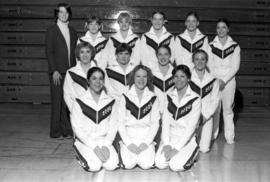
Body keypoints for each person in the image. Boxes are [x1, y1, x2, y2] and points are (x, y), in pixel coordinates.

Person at [71, 67, 119, 172]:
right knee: (94, 166)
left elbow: (113, 126)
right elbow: (77, 128)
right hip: (86, 141)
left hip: (104, 140)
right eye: (94, 78)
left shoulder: (111, 102)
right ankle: (77, 149)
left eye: (101, 79)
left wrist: (106, 144)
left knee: (112, 165)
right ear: (88, 81)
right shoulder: (79, 101)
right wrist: (94, 147)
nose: (98, 82)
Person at [155, 65, 201, 171]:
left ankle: (194, 151)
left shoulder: (195, 99)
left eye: (182, 76)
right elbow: (165, 123)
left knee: (175, 166)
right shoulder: (169, 96)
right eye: (176, 76)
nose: (178, 79)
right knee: (160, 163)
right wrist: (166, 144)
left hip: (187, 138)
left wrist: (177, 148)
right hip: (171, 137)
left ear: (188, 78)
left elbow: (191, 127)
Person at [118, 65, 160, 169]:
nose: (141, 79)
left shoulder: (153, 97)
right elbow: (120, 122)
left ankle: (150, 149)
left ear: (148, 78)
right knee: (128, 165)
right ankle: (122, 147)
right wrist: (128, 143)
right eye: (138, 76)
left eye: (144, 76)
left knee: (146, 165)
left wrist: (146, 143)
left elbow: (155, 123)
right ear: (133, 78)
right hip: (129, 137)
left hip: (146, 137)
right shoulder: (125, 96)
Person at [45, 3, 77, 139]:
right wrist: (54, 70)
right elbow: (49, 51)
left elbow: (75, 51)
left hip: (70, 72)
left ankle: (67, 130)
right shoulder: (52, 30)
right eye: (61, 12)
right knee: (57, 102)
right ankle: (55, 132)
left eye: (66, 12)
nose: (63, 15)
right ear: (57, 14)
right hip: (58, 72)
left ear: (69, 14)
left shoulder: (72, 30)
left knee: (67, 102)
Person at [208, 18, 241, 144]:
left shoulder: (235, 46)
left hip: (229, 82)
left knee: (227, 110)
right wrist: (216, 80)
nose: (221, 30)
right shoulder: (210, 45)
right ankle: (213, 135)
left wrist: (224, 80)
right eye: (218, 27)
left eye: (223, 27)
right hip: (214, 81)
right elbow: (209, 65)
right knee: (215, 109)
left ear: (228, 29)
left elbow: (235, 67)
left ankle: (229, 137)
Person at [189, 50, 220, 153]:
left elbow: (215, 100)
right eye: (197, 59)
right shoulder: (187, 78)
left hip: (206, 116)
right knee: (190, 147)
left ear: (206, 61)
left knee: (204, 149)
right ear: (193, 61)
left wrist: (206, 116)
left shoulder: (213, 80)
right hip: (190, 116)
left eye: (203, 59)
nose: (200, 62)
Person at [63, 42, 97, 111]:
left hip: (96, 111)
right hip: (77, 111)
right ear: (78, 54)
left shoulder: (99, 71)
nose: (85, 55)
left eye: (87, 52)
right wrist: (73, 110)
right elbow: (67, 94)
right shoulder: (71, 72)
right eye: (82, 52)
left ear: (91, 54)